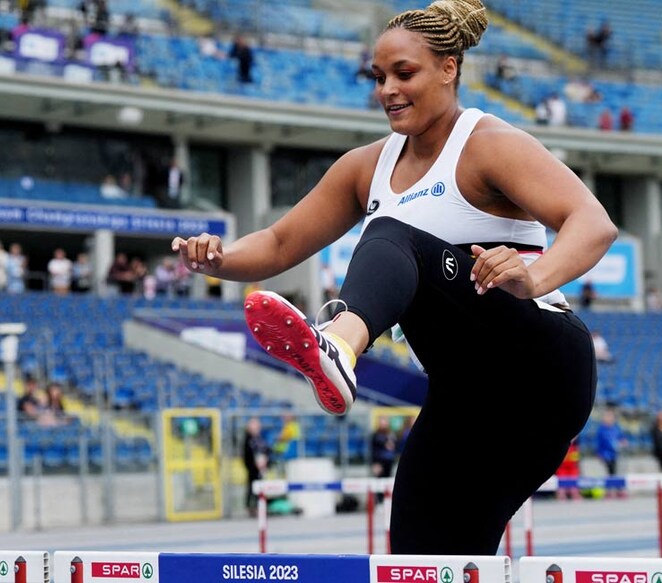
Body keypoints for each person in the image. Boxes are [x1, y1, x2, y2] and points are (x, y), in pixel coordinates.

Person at [171, 0, 615, 556]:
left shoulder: (488, 143)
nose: (387, 90)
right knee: (423, 558)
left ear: (449, 68)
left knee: (390, 231)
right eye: (379, 77)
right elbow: (282, 243)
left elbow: (594, 223)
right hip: (464, 396)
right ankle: (337, 351)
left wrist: (533, 275)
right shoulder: (366, 166)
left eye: (405, 74)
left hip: (538, 366)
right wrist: (219, 259)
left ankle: (340, 345)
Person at [242, 417, 270, 514]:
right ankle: (251, 507)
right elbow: (248, 454)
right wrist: (255, 463)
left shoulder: (260, 438)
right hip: (252, 468)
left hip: (261, 467)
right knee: (252, 487)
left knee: (261, 486)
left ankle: (261, 506)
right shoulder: (248, 439)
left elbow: (266, 450)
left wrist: (266, 460)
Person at [595, 409, 626, 497]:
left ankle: (617, 489)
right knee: (610, 472)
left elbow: (621, 437)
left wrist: (622, 442)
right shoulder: (602, 429)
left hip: (615, 454)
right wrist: (599, 453)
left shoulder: (616, 428)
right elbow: (600, 443)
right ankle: (611, 490)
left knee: (615, 472)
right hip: (606, 454)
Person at [370, 417, 398, 503]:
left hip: (389, 461)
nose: (383, 424)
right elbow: (373, 450)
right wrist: (374, 463)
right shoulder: (376, 435)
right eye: (382, 422)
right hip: (379, 462)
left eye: (385, 422)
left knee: (388, 481)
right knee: (379, 481)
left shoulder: (391, 434)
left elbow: (394, 447)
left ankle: (388, 500)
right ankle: (380, 500)